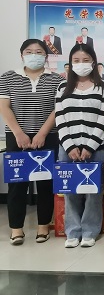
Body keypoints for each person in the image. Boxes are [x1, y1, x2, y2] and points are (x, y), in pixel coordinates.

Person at [0, 39, 63, 245]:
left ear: (46, 56)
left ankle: (43, 226)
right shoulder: (8, 77)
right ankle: (16, 229)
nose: (34, 55)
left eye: (39, 52)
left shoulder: (56, 80)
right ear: (22, 55)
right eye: (29, 52)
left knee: (46, 182)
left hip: (48, 136)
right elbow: (4, 106)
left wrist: (43, 133)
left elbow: (58, 109)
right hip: (16, 136)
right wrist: (18, 133)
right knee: (17, 184)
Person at [55, 43, 104, 248]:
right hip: (67, 147)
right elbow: (60, 118)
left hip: (95, 147)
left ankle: (89, 231)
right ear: (70, 63)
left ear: (93, 62)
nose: (81, 64)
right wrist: (69, 146)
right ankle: (72, 231)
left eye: (86, 60)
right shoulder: (62, 87)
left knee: (93, 191)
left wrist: (89, 146)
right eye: (76, 60)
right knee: (70, 190)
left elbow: (103, 118)